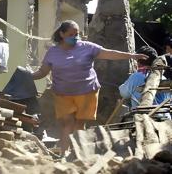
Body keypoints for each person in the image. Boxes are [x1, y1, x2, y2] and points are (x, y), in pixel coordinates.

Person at [31, 20, 148, 155]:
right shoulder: (53, 52)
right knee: (66, 124)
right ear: (62, 34)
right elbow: (43, 72)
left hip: (87, 92)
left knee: (80, 124)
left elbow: (109, 53)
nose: (75, 37)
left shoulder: (87, 47)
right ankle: (63, 154)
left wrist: (132, 56)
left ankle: (77, 154)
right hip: (62, 94)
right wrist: (29, 76)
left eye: (77, 34)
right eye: (71, 34)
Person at [119, 46, 171, 111]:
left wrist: (122, 86)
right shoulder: (163, 78)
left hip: (144, 116)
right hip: (164, 115)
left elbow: (124, 94)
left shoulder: (137, 76)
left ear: (138, 61)